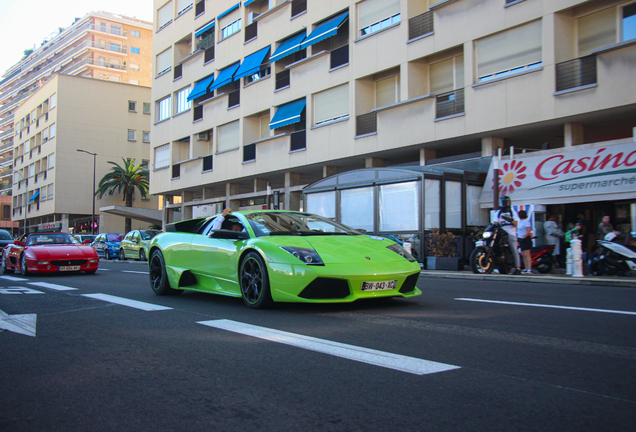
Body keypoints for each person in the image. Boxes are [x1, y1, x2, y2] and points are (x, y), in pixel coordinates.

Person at [497, 196, 520, 275]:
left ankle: (518, 267)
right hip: (501, 233)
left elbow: (515, 224)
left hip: (510, 233)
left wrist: (509, 220)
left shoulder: (513, 213)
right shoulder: (498, 213)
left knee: (514, 250)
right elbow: (495, 222)